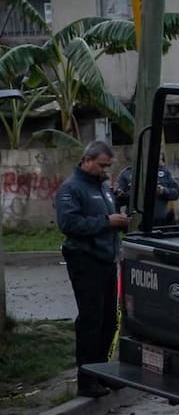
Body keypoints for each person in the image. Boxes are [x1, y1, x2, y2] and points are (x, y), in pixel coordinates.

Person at [55, 140, 129, 398]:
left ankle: (102, 372)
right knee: (91, 320)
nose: (105, 170)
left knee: (109, 320)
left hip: (107, 260)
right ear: (87, 161)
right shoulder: (71, 189)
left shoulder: (104, 188)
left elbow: (107, 220)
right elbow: (69, 223)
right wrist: (107, 222)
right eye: (101, 165)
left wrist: (120, 222)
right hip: (85, 261)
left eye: (108, 166)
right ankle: (86, 379)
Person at [114, 162, 179, 226]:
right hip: (136, 223)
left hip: (161, 223)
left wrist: (162, 191)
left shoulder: (164, 172)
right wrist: (132, 193)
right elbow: (118, 199)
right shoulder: (127, 173)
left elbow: (176, 193)